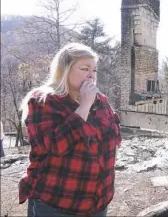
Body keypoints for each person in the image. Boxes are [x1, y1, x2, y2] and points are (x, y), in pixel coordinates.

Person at [19, 43, 121, 216]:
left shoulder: (101, 100)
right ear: (64, 70)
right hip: (57, 202)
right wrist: (84, 106)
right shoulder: (43, 101)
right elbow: (55, 146)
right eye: (85, 68)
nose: (91, 75)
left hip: (98, 201)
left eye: (94, 70)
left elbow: (114, 138)